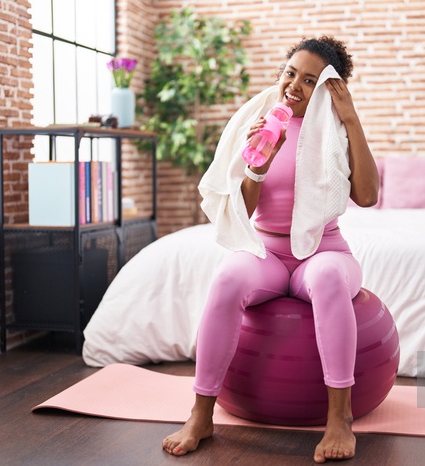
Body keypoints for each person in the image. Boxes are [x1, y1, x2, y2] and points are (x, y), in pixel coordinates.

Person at [162, 35, 379, 463]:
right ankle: (201, 414)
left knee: (327, 276)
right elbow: (241, 213)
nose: (293, 86)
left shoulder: (334, 131)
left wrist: (351, 120)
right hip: (268, 253)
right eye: (290, 73)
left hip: (323, 251)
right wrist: (256, 169)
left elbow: (368, 196)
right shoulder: (260, 125)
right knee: (227, 276)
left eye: (309, 80)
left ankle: (340, 419)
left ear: (328, 88)